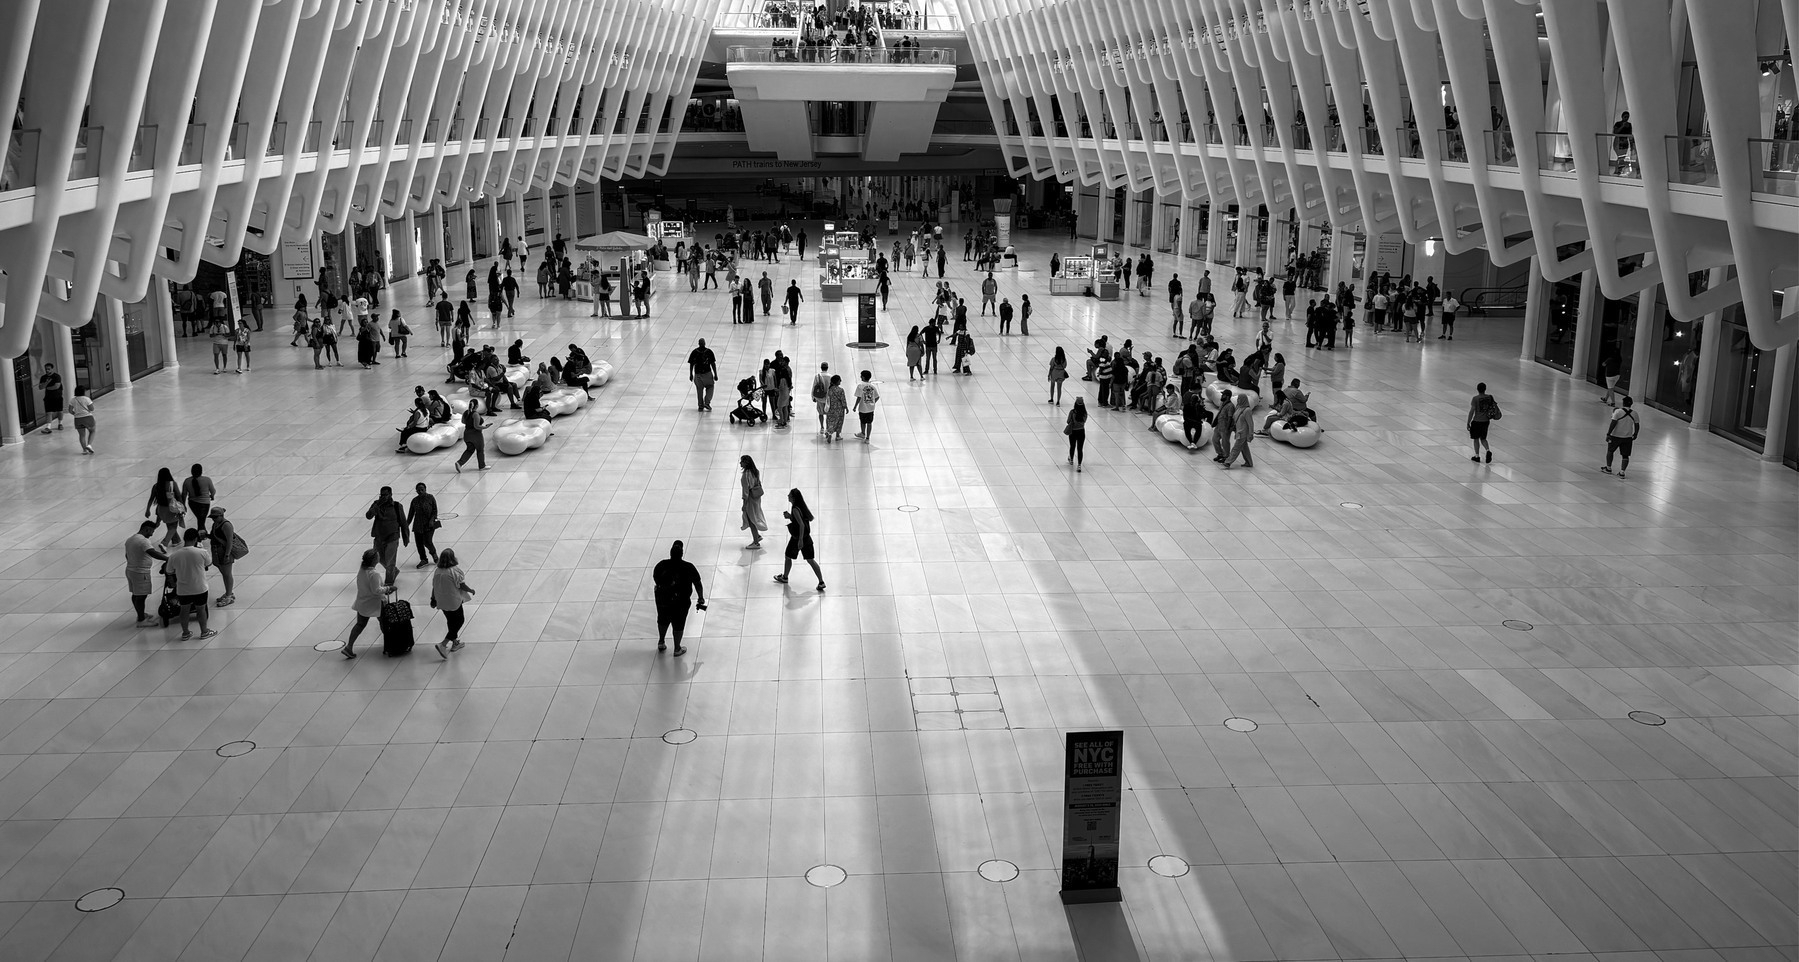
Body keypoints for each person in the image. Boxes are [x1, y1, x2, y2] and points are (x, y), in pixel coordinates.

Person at [653, 540, 708, 655]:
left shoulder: (661, 565)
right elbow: (697, 582)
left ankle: (661, 641)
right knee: (679, 623)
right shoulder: (688, 567)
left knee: (663, 619)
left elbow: (656, 579)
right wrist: (701, 597)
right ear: (682, 554)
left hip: (663, 600)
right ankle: (677, 648)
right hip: (681, 602)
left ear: (670, 553)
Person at [341, 548, 393, 659]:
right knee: (384, 624)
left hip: (363, 602)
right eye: (378, 556)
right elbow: (376, 590)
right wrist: (389, 588)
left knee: (360, 624)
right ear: (374, 560)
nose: (379, 557)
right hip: (376, 604)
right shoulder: (374, 574)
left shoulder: (362, 570)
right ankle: (390, 646)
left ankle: (349, 647)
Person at [167, 529, 218, 640]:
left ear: (184, 539)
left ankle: (185, 633)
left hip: (183, 589)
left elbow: (169, 571)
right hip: (200, 587)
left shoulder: (174, 555)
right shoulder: (202, 552)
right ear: (196, 539)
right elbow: (208, 563)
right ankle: (204, 632)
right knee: (201, 610)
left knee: (184, 610)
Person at [774, 489, 824, 590]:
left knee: (788, 556)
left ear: (793, 498)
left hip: (797, 538)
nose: (788, 496)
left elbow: (801, 525)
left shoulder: (795, 509)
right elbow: (800, 520)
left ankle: (785, 577)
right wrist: (790, 517)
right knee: (810, 560)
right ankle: (821, 582)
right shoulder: (801, 507)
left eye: (790, 495)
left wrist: (800, 540)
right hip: (807, 538)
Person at [429, 549, 475, 657]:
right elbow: (461, 585)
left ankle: (455, 643)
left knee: (450, 621)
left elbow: (434, 586)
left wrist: (433, 599)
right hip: (453, 601)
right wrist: (471, 590)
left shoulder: (437, 571)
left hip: (441, 601)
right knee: (459, 620)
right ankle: (443, 644)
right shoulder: (454, 571)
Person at [125, 520, 169, 625]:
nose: (152, 534)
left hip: (130, 570)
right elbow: (152, 553)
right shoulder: (143, 541)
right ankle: (141, 620)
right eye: (152, 531)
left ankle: (140, 614)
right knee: (141, 596)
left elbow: (127, 556)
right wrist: (168, 559)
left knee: (135, 594)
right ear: (147, 529)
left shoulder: (130, 539)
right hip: (140, 572)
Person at [366, 486, 409, 587]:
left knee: (390, 561)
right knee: (378, 558)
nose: (383, 497)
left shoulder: (397, 506)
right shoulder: (376, 504)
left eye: (386, 495)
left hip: (392, 536)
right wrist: (377, 506)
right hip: (379, 536)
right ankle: (394, 571)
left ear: (391, 495)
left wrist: (405, 536)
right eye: (381, 495)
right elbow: (368, 516)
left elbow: (403, 522)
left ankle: (389, 582)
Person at [206, 507, 239, 607]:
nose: (214, 519)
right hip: (216, 550)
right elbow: (213, 536)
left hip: (223, 551)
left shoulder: (226, 525)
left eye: (215, 517)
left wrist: (227, 554)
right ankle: (228, 592)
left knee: (227, 574)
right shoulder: (216, 524)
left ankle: (229, 595)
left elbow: (229, 541)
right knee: (224, 573)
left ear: (221, 516)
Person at [1602, 396, 1639, 478]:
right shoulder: (1635, 413)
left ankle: (1608, 468)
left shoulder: (1618, 412)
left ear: (1623, 403)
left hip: (1615, 436)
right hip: (1628, 437)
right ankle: (1622, 472)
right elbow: (1637, 425)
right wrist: (1635, 434)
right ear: (1631, 404)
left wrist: (1608, 433)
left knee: (1610, 451)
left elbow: (1613, 423)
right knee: (1625, 455)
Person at [408, 482, 441, 568]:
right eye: (418, 490)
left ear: (425, 489)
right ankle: (423, 559)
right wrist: (406, 524)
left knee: (427, 541)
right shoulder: (414, 501)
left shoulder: (430, 498)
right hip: (418, 525)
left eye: (422, 489)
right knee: (419, 543)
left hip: (429, 525)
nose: (420, 491)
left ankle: (434, 554)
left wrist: (431, 520)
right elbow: (411, 514)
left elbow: (435, 510)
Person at [1220, 395, 1255, 469]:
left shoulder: (1247, 410)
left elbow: (1250, 423)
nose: (1238, 400)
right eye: (1238, 399)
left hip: (1243, 433)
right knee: (1244, 448)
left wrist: (1251, 433)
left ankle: (1228, 462)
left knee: (1236, 448)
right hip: (1238, 431)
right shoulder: (1238, 408)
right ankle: (1249, 462)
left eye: (1239, 399)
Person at [740, 456, 767, 548]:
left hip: (750, 500)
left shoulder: (745, 475)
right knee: (755, 515)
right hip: (757, 498)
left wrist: (744, 504)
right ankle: (757, 536)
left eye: (742, 462)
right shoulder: (756, 472)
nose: (740, 463)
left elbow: (745, 491)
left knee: (751, 520)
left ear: (746, 463)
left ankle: (756, 542)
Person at [1468, 381, 1498, 463]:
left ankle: (1477, 456)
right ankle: (1488, 450)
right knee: (1483, 438)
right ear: (1485, 389)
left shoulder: (1475, 398)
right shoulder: (1489, 397)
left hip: (1477, 421)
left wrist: (1468, 422)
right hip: (1486, 421)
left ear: (1477, 389)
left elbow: (1472, 411)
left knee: (1476, 438)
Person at [455, 402, 488, 471]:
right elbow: (477, 426)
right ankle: (482, 466)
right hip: (476, 435)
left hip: (467, 434)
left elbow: (463, 421)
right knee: (480, 450)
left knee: (470, 450)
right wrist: (485, 427)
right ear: (477, 406)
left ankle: (459, 463)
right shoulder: (475, 414)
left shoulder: (466, 413)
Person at [688, 338, 718, 411]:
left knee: (699, 390)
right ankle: (707, 402)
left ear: (698, 343)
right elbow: (713, 364)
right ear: (705, 343)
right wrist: (715, 374)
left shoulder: (694, 352)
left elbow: (691, 364)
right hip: (707, 374)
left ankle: (700, 405)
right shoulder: (709, 352)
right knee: (710, 386)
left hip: (698, 375)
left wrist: (691, 374)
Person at [66, 385, 96, 454]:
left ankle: (84, 450)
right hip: (88, 417)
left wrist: (76, 414)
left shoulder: (73, 400)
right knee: (92, 431)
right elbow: (92, 409)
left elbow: (70, 410)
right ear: (83, 392)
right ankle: (89, 445)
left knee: (82, 435)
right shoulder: (87, 399)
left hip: (78, 419)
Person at [853, 370, 880, 442]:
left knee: (862, 421)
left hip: (862, 408)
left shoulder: (860, 386)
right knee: (869, 422)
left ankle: (862, 433)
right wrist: (873, 403)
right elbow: (877, 397)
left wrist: (855, 406)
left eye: (861, 375)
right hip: (871, 408)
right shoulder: (872, 386)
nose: (860, 377)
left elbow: (859, 397)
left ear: (863, 377)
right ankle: (867, 438)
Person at [36, 362, 63, 433]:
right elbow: (40, 387)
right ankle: (48, 427)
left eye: (49, 369)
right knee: (48, 412)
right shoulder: (43, 377)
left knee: (59, 411)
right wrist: (46, 383)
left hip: (57, 396)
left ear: (52, 369)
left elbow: (56, 386)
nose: (47, 370)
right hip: (48, 397)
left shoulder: (57, 376)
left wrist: (47, 388)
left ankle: (60, 423)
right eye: (46, 369)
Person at [1065, 397, 1088, 471]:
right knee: (1080, 448)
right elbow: (1084, 421)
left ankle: (1071, 459)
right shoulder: (1084, 413)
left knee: (1072, 446)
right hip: (1081, 431)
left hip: (1073, 431)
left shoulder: (1072, 412)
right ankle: (1079, 465)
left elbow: (1068, 421)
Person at [825, 374, 848, 442]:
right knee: (839, 422)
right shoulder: (840, 390)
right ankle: (837, 436)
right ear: (837, 381)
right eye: (839, 380)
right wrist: (846, 407)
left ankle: (829, 433)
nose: (841, 381)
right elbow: (843, 399)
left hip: (831, 408)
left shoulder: (829, 390)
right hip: (839, 409)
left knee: (830, 422)